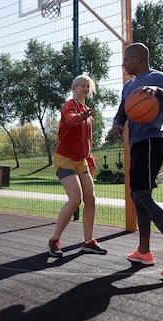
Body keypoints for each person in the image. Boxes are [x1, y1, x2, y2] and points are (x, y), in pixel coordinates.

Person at [110, 42, 163, 276]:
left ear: (138, 59)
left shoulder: (158, 78)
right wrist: (117, 124)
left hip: (152, 142)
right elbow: (122, 110)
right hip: (137, 144)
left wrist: (158, 92)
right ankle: (144, 251)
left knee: (141, 195)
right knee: (137, 197)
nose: (124, 63)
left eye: (126, 60)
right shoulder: (128, 86)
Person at [47, 74, 107, 257]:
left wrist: (89, 157)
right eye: (82, 85)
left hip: (81, 160)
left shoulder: (86, 109)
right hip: (64, 158)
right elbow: (72, 120)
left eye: (88, 86)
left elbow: (85, 139)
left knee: (90, 199)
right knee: (75, 200)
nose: (85, 89)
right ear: (73, 88)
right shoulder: (70, 106)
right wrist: (81, 116)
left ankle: (88, 241)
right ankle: (54, 240)